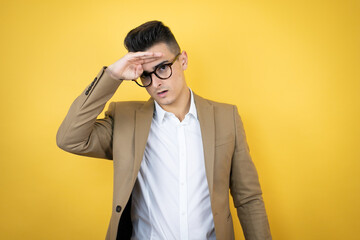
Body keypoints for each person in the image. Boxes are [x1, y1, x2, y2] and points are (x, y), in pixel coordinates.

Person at [56, 20, 271, 240]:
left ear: (183, 60)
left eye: (162, 68)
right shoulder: (125, 121)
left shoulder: (226, 118)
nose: (156, 82)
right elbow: (69, 138)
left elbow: (248, 198)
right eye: (146, 75)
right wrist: (112, 75)